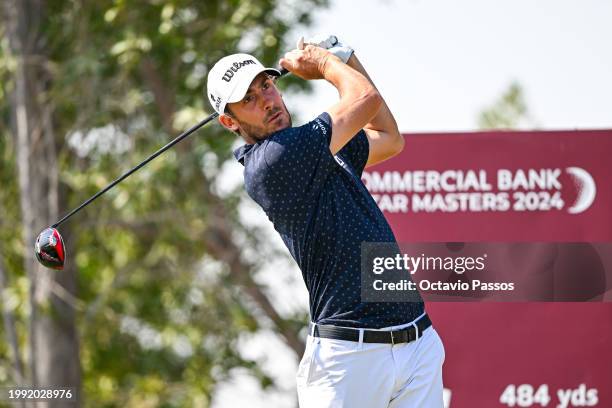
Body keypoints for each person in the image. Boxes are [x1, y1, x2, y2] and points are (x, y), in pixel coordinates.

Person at [206, 34, 445, 408]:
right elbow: (364, 100)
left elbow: (388, 137)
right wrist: (323, 63)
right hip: (349, 358)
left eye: (266, 85)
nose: (267, 100)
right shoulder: (274, 160)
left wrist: (346, 58)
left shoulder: (315, 147)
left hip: (417, 344)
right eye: (249, 99)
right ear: (228, 121)